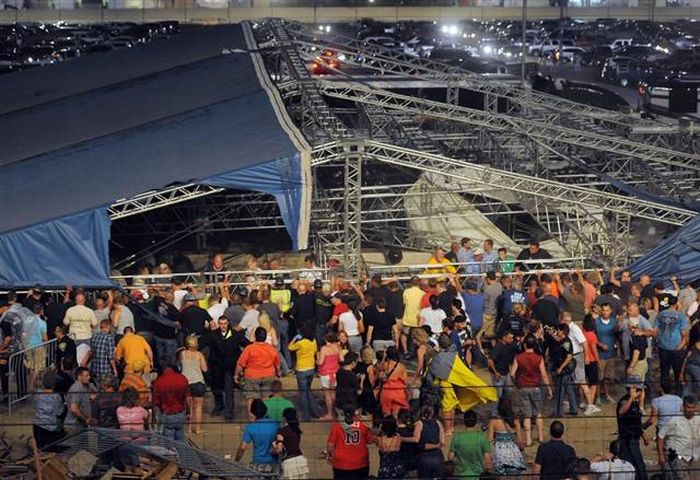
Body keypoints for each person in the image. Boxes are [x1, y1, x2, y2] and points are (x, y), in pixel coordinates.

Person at [511, 335, 553, 446]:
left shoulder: (518, 357)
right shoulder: (539, 358)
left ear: (525, 345)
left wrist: (517, 383)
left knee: (527, 415)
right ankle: (540, 436)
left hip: (523, 387)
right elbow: (544, 375)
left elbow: (512, 373)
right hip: (536, 387)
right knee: (538, 413)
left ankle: (528, 439)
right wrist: (549, 388)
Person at [208, 315, 248, 422]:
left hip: (230, 367)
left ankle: (229, 413)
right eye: (221, 324)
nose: (223, 326)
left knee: (228, 389)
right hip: (216, 367)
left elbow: (247, 344)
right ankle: (219, 406)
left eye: (225, 324)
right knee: (216, 389)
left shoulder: (235, 335)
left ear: (228, 323)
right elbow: (202, 343)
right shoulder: (213, 335)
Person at [235, 326, 281, 417]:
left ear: (255, 337)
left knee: (251, 398)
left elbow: (240, 364)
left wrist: (236, 375)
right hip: (268, 375)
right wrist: (278, 373)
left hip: (252, 376)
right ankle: (266, 419)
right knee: (266, 398)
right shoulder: (271, 349)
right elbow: (277, 364)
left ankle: (253, 420)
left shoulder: (249, 349)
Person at [658, 395, 700, 479]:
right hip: (676, 455)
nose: (690, 410)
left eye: (693, 407)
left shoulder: (698, 419)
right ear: (683, 407)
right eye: (688, 407)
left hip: (691, 456)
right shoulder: (675, 419)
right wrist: (661, 455)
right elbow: (660, 436)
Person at [326, 408, 374, 479]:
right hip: (360, 463)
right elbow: (370, 440)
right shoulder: (363, 424)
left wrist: (329, 456)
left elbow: (330, 446)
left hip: (341, 464)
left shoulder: (337, 425)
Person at [655, 301, 690, 395]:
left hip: (663, 347)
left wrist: (659, 341)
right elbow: (684, 335)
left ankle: (665, 392)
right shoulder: (681, 316)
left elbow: (655, 331)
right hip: (676, 348)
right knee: (678, 372)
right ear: (676, 304)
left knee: (664, 370)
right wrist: (680, 346)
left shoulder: (661, 314)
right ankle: (679, 393)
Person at [235, 399, 278, 474]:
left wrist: (236, 460)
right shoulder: (275, 424)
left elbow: (242, 448)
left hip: (257, 462)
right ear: (265, 410)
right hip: (273, 463)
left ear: (252, 412)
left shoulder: (250, 427)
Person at [289, 326, 321, 421]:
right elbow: (315, 351)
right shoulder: (313, 341)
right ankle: (316, 412)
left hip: (301, 369)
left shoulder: (300, 343)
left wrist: (294, 338)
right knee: (308, 390)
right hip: (311, 369)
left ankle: (306, 416)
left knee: (303, 393)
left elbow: (290, 347)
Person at [487, 397, 526, 476]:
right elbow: (520, 440)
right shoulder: (515, 421)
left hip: (499, 453)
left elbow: (489, 440)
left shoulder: (494, 422)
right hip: (513, 452)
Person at [448, 410, 493, 479]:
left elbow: (450, 457)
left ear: (464, 421)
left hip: (460, 474)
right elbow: (488, 460)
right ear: (475, 421)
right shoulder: (482, 437)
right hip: (477, 475)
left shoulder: (457, 437)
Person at [616, 385, 648, 480]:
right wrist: (631, 397)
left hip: (634, 437)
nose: (641, 393)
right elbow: (621, 412)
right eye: (638, 390)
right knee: (633, 463)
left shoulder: (635, 403)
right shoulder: (625, 401)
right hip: (627, 438)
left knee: (637, 463)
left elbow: (635, 422)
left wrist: (642, 434)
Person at [152, 360, 189, 442]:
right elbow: (187, 398)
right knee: (181, 439)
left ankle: (171, 453)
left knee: (169, 442)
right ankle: (181, 453)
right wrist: (188, 411)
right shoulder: (182, 378)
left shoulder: (159, 382)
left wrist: (154, 418)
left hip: (167, 414)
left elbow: (156, 403)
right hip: (180, 413)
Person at [116, 387, 149, 474]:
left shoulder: (119, 410)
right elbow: (147, 419)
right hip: (139, 442)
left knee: (127, 467)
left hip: (123, 442)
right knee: (138, 468)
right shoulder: (141, 410)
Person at [180, 335, 207, 435]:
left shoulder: (183, 354)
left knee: (189, 407)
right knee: (198, 407)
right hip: (198, 382)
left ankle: (189, 429)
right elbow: (205, 369)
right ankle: (198, 429)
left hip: (186, 383)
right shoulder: (199, 355)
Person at [273, 408, 310, 480]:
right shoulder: (297, 430)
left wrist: (272, 451)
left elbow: (279, 450)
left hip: (289, 463)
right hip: (301, 460)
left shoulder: (281, 431)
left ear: (284, 418)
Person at [33, 370, 65, 449]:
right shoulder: (57, 397)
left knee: (39, 448)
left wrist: (35, 377)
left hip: (37, 427)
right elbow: (60, 412)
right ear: (54, 384)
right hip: (51, 429)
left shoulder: (38, 393)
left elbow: (33, 387)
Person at [488, 330, 517, 416]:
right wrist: (495, 372)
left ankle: (504, 409)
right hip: (499, 375)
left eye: (512, 338)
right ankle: (494, 413)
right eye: (510, 338)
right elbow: (490, 361)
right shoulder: (498, 347)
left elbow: (508, 361)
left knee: (508, 391)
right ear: (504, 338)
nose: (511, 340)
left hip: (506, 373)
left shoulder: (508, 346)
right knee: (497, 395)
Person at [551, 323, 577, 417]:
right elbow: (559, 341)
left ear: (562, 331)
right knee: (569, 388)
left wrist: (560, 368)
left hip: (564, 370)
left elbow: (569, 356)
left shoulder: (566, 342)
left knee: (560, 391)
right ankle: (574, 409)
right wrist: (552, 334)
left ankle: (558, 412)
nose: (557, 332)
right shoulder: (564, 340)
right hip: (565, 369)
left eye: (558, 330)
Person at [596, 303, 619, 403]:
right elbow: (592, 338)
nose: (605, 312)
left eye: (607, 310)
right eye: (604, 310)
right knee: (598, 377)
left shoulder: (614, 322)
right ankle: (597, 397)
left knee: (607, 377)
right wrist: (600, 345)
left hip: (611, 354)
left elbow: (618, 334)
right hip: (600, 355)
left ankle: (606, 394)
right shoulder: (596, 322)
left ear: (610, 311)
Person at [377, 346, 409, 418]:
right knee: (397, 414)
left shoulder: (385, 365)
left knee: (386, 413)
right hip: (398, 392)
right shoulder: (401, 366)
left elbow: (378, 371)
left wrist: (383, 358)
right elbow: (405, 381)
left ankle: (388, 427)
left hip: (386, 391)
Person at [318, 332, 342, 420]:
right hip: (336, 372)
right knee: (334, 394)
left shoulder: (324, 349)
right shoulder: (338, 347)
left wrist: (317, 360)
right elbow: (341, 359)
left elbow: (320, 362)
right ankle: (336, 411)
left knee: (327, 395)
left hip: (325, 373)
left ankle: (330, 413)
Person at [86, 319, 116, 387]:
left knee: (97, 388)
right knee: (105, 389)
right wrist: (114, 369)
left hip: (95, 369)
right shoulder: (109, 338)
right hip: (105, 370)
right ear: (108, 326)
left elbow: (92, 352)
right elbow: (111, 357)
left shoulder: (95, 336)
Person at [582, 314, 602, 416]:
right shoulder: (592, 335)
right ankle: (590, 404)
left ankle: (587, 403)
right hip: (592, 361)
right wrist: (598, 361)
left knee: (586, 382)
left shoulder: (583, 334)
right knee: (594, 384)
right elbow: (594, 351)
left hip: (584, 361)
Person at [64, 367, 93, 435]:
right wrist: (86, 419)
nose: (89, 377)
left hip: (79, 427)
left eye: (89, 375)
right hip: (74, 427)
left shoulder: (82, 387)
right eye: (86, 376)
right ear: (79, 377)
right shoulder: (77, 388)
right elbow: (74, 409)